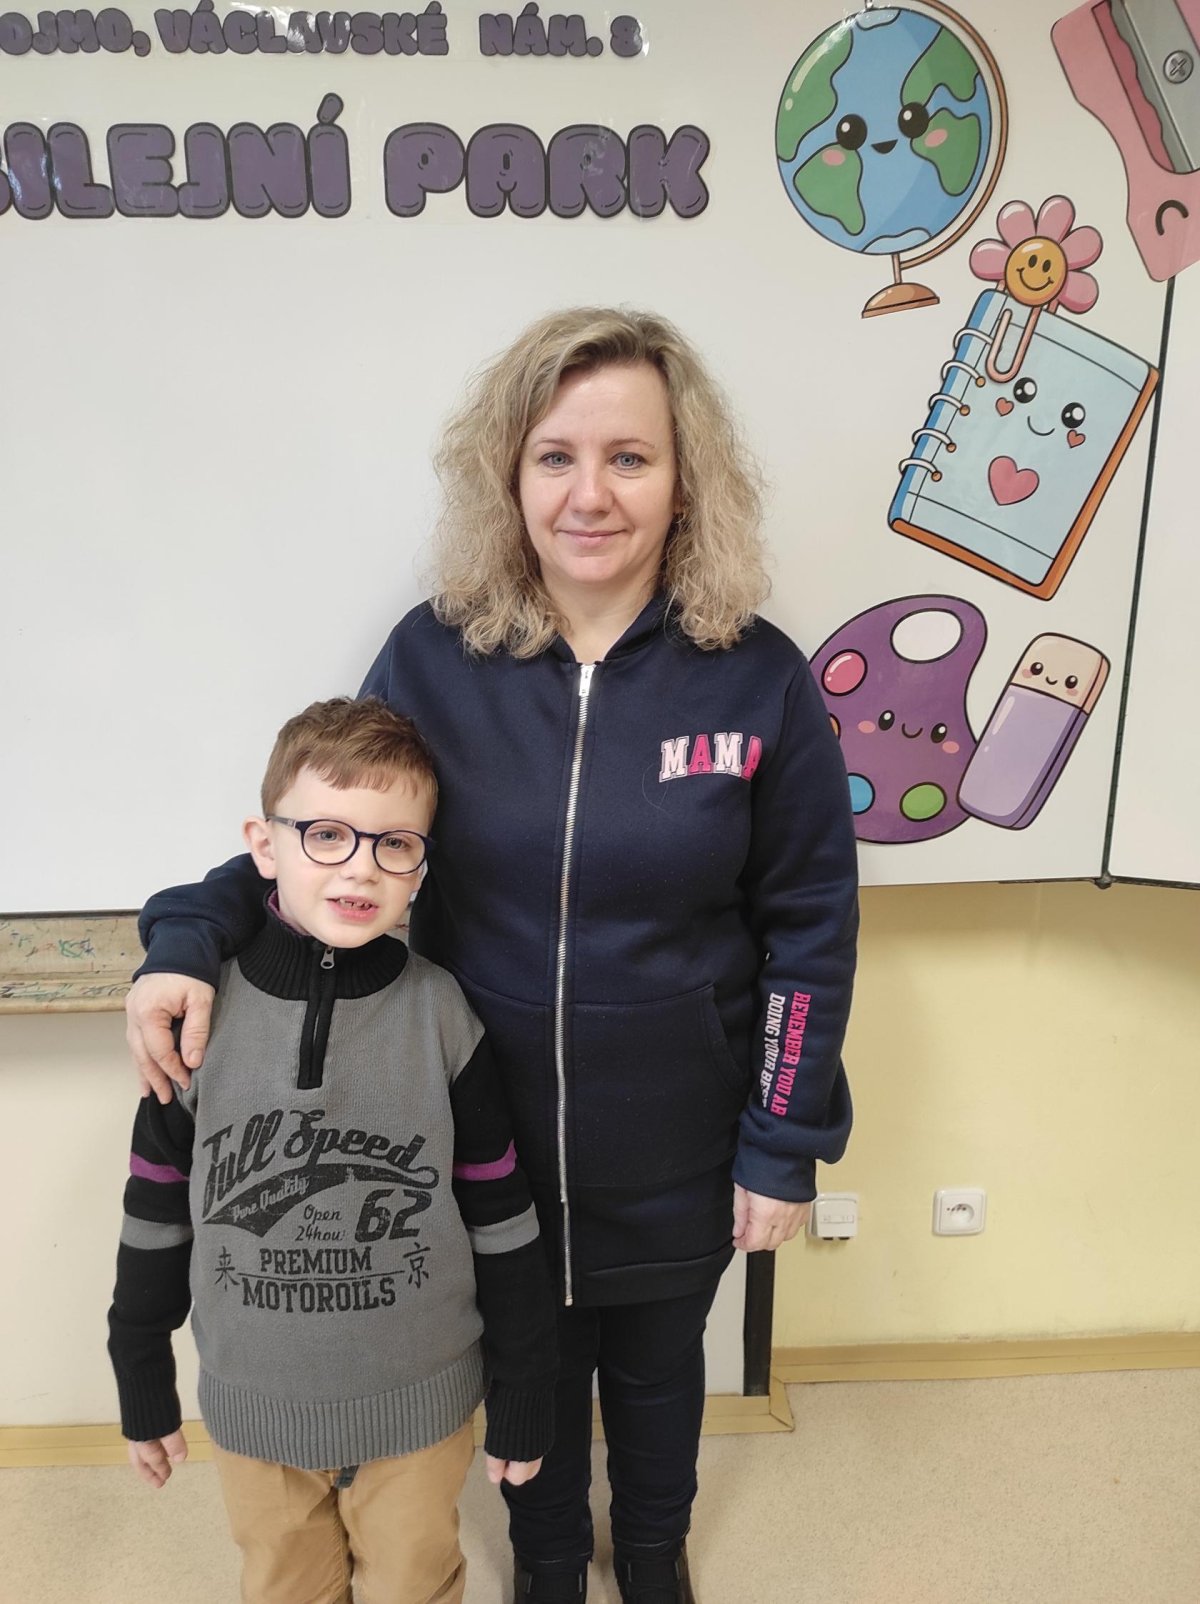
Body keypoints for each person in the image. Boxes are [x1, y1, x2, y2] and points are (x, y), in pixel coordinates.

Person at [124, 308, 859, 1604]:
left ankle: (653, 1554)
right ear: (508, 475)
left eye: (629, 458)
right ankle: (550, 1565)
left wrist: (782, 1138)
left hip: (676, 1137)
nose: (590, 494)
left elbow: (809, 920)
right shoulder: (434, 655)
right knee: (531, 1371)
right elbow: (325, 841)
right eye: (555, 456)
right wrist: (184, 938)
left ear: (684, 476)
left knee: (660, 1372)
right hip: (477, 1133)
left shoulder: (757, 679)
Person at [108, 696, 556, 1604]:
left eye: (395, 844)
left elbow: (502, 1219)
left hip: (420, 1410)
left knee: (415, 1583)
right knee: (284, 1587)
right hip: (255, 1413)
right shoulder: (194, 1014)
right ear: (264, 846)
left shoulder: (443, 1014)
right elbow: (155, 1209)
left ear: (422, 866)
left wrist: (523, 1388)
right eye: (326, 835)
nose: (360, 866)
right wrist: (140, 1370)